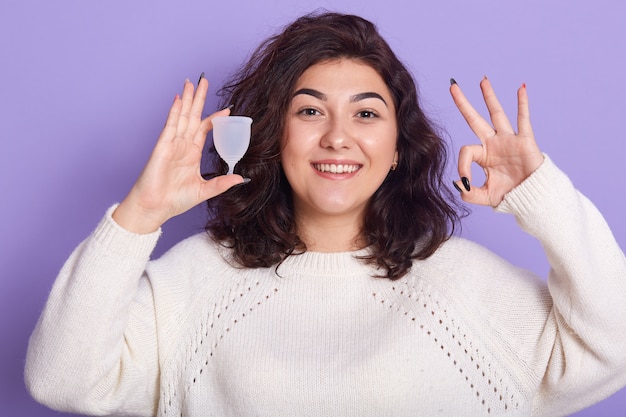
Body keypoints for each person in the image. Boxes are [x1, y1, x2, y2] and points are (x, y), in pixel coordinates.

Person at [25, 12, 626, 417]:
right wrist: (138, 216)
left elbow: (613, 348)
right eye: (310, 112)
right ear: (273, 135)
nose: (338, 137)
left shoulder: (466, 283)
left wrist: (544, 198)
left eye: (366, 114)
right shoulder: (194, 283)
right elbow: (63, 379)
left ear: (397, 149)